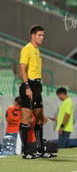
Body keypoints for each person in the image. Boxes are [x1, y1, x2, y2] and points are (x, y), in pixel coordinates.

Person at [19, 25, 55, 159]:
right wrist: (27, 86)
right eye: (40, 35)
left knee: (40, 118)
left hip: (37, 85)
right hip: (29, 85)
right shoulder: (26, 49)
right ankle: (25, 151)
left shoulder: (37, 50)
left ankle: (40, 150)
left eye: (43, 35)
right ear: (33, 36)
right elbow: (22, 68)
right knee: (26, 119)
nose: (42, 38)